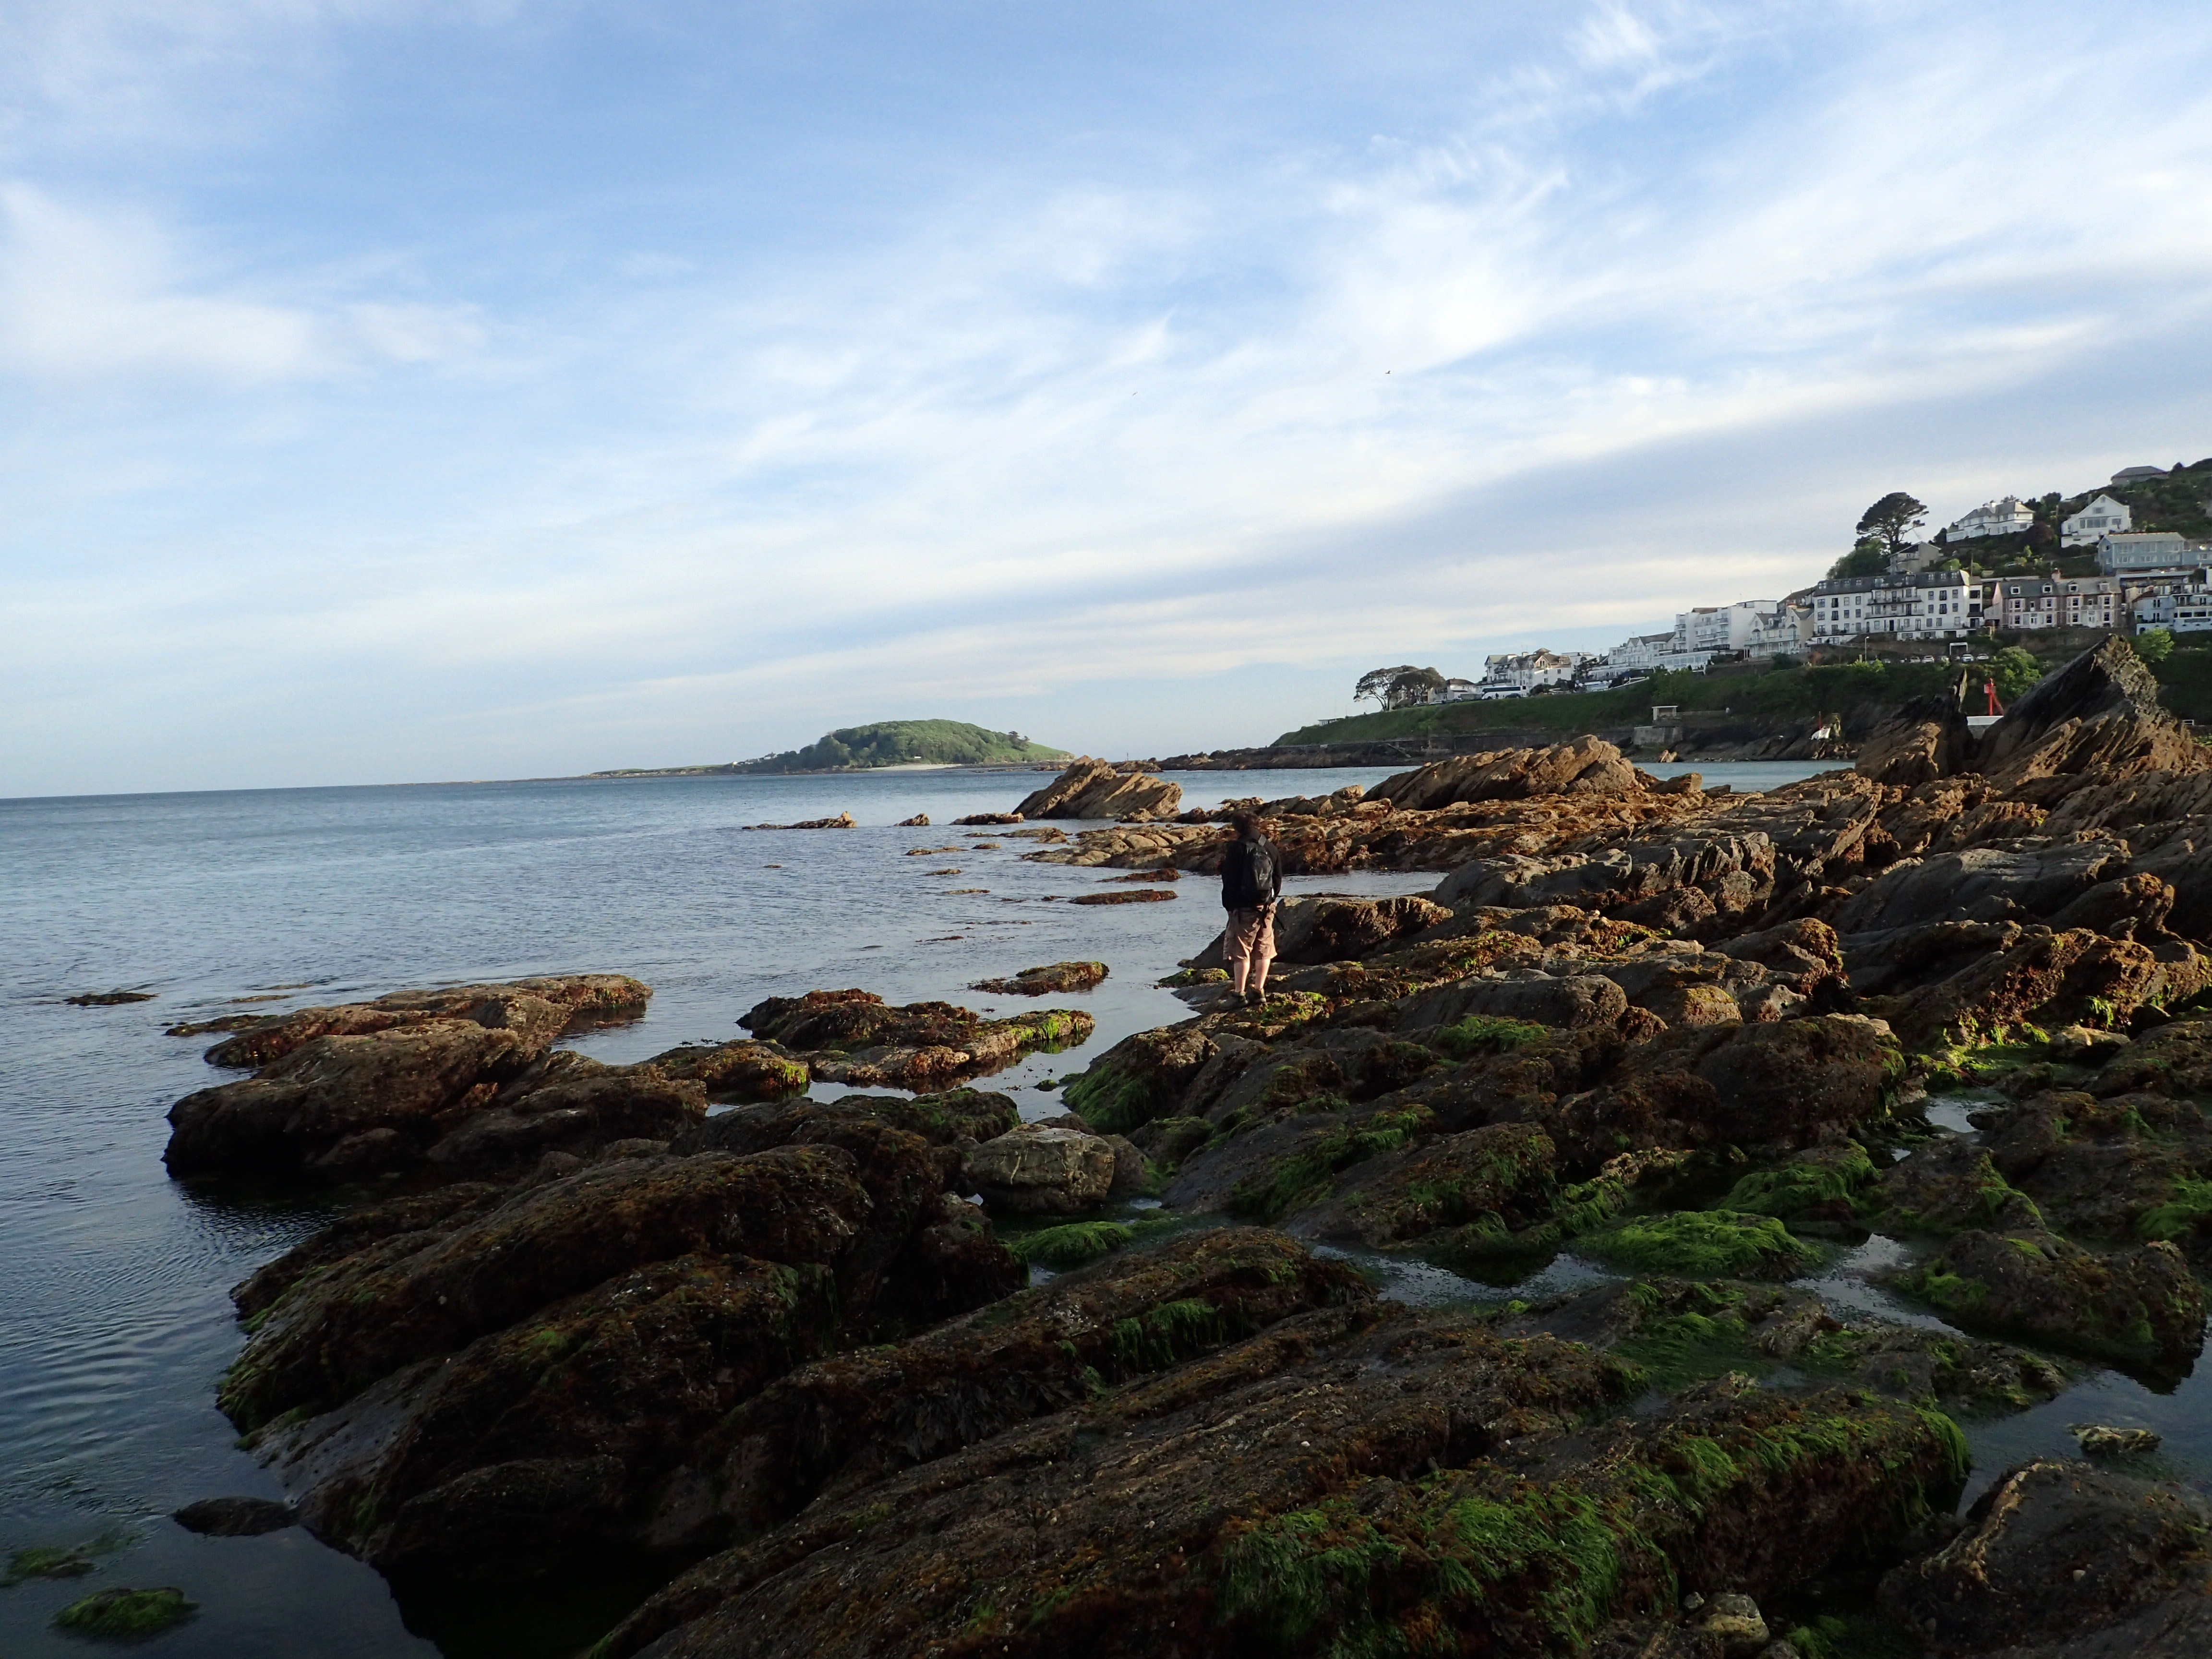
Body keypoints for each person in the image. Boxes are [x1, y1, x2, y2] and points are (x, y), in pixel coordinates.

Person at [1218, 810, 1281, 1005]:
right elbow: (1277, 880)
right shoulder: (1270, 847)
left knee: (1241, 951)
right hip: (1266, 907)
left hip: (1243, 908)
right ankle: (1259, 991)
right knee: (1264, 949)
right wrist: (1270, 900)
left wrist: (1230, 905)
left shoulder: (1238, 848)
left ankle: (1239, 993)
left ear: (1237, 827)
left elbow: (1229, 880)